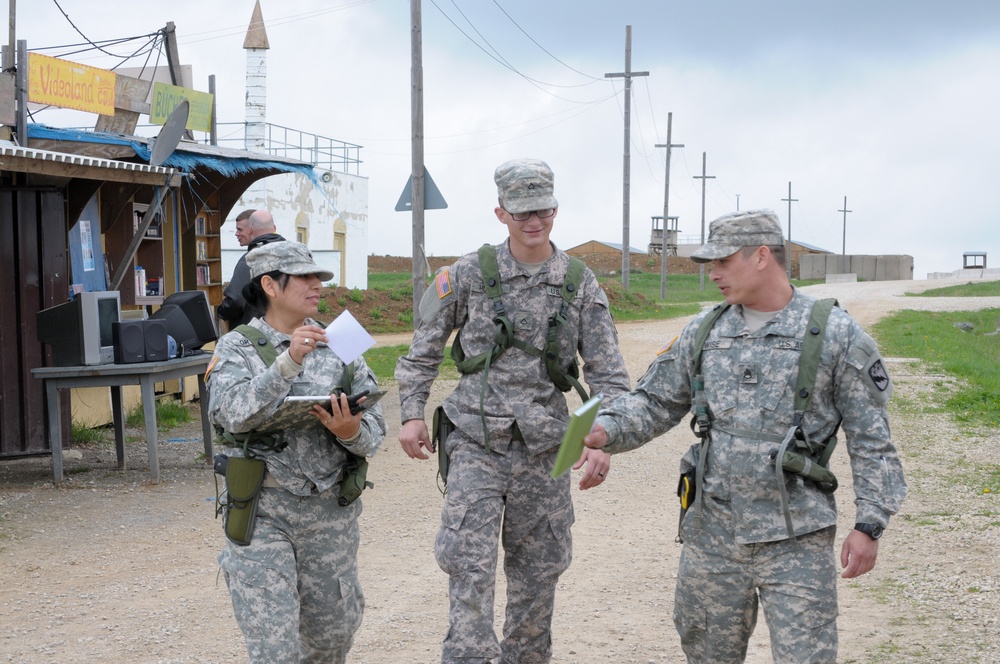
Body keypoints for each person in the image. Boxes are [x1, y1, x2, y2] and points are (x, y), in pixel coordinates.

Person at [583, 209, 908, 663]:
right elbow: (655, 401)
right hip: (712, 536)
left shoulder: (835, 335)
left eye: (722, 262)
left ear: (761, 256)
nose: (712, 274)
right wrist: (606, 429)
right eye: (709, 264)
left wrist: (870, 524)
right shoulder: (704, 331)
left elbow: (872, 441)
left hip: (797, 538)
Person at [395, 158, 631, 664]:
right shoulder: (467, 274)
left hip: (548, 448)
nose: (534, 222)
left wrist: (602, 438)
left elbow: (607, 378)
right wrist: (412, 411)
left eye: (543, 211)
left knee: (538, 577)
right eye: (522, 212)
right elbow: (422, 350)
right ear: (500, 213)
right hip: (476, 442)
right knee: (469, 567)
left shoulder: (580, 282)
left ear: (555, 210)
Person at [206, 240, 386, 663]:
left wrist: (350, 431)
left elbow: (375, 433)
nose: (316, 285)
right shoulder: (236, 346)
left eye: (318, 277)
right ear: (269, 284)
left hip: (330, 514)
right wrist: (286, 364)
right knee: (275, 648)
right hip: (263, 512)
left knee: (331, 640)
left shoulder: (341, 337)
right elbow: (230, 413)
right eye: (304, 277)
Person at [217, 208, 286, 331]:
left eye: (239, 229)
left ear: (251, 230)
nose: (236, 233)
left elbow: (235, 301)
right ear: (274, 228)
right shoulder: (293, 255)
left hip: (254, 335)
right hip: (288, 330)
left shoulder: (251, 259)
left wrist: (221, 312)